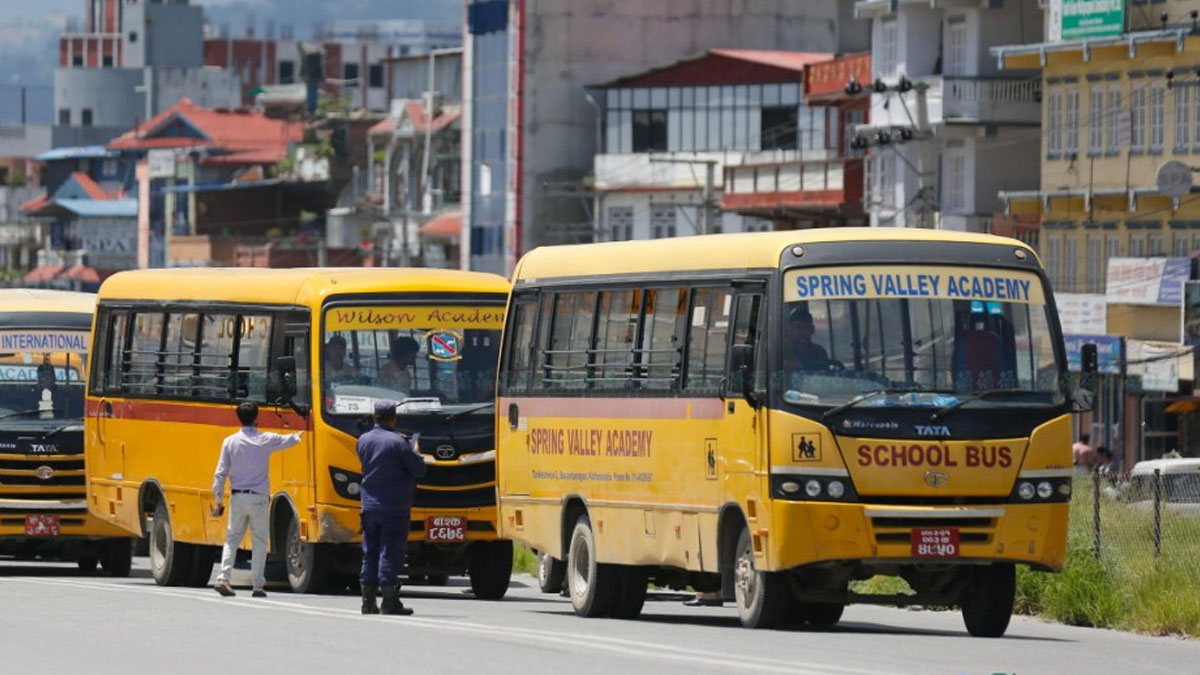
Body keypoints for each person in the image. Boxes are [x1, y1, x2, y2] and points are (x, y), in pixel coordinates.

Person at [211, 401, 303, 598]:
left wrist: (218, 499)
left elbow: (220, 473)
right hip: (259, 498)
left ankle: (223, 578)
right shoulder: (264, 439)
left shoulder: (230, 441)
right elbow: (287, 441)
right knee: (260, 541)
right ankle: (257, 586)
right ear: (256, 418)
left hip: (237, 497)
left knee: (232, 539)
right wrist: (298, 436)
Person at [357, 399, 426, 615]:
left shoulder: (363, 440)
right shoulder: (399, 443)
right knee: (390, 551)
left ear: (374, 416)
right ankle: (389, 601)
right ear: (393, 418)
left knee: (370, 552)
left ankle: (368, 602)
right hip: (393, 506)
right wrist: (415, 451)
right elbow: (418, 470)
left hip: (369, 505)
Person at [783, 307, 831, 371]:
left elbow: (826, 376)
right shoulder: (781, 351)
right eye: (798, 327)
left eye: (806, 328)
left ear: (812, 329)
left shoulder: (819, 351)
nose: (802, 332)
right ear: (789, 329)